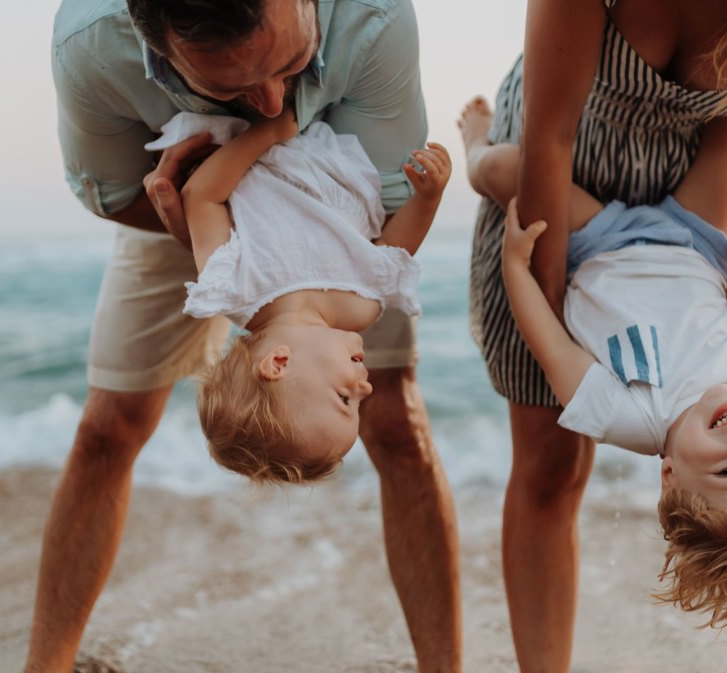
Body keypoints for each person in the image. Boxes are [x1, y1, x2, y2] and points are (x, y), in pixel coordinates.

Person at [30, 0, 461, 670]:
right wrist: (185, 218)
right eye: (231, 84)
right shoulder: (92, 43)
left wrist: (231, 186)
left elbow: (381, 199)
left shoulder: (371, 19)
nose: (270, 101)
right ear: (162, 48)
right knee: (109, 426)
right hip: (177, 198)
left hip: (269, 206)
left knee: (398, 425)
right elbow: (114, 190)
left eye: (292, 64)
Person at [467, 0, 727, 671]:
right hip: (622, 197)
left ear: (669, 478)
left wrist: (535, 279)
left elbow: (555, 343)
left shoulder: (635, 417)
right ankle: (478, 145)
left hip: (608, 238)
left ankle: (476, 150)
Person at [149, 109, 449, 481]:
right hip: (344, 139)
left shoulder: (232, 287)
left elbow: (202, 198)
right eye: (360, 403)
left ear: (278, 363)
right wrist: (428, 200)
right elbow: (392, 249)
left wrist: (268, 133)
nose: (366, 387)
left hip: (250, 128)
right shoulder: (361, 308)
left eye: (345, 399)